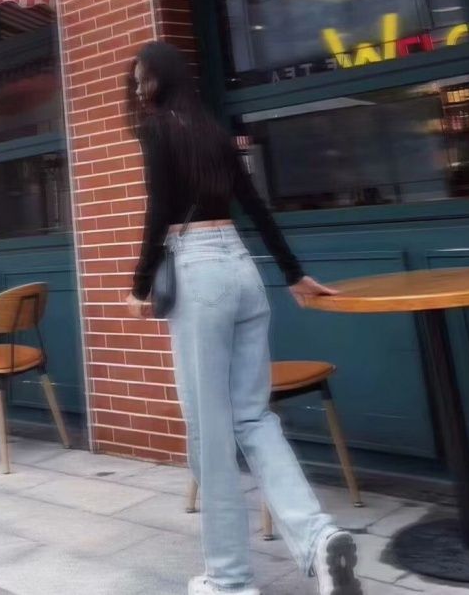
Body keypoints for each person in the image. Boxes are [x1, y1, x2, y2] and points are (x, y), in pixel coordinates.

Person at [125, 41, 362, 595]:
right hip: (242, 268)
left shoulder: (157, 129)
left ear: (159, 80)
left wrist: (139, 286)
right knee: (253, 418)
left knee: (210, 431)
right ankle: (319, 538)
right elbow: (254, 206)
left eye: (141, 79)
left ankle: (229, 579)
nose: (137, 89)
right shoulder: (213, 131)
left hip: (199, 273)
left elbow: (159, 210)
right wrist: (293, 273)